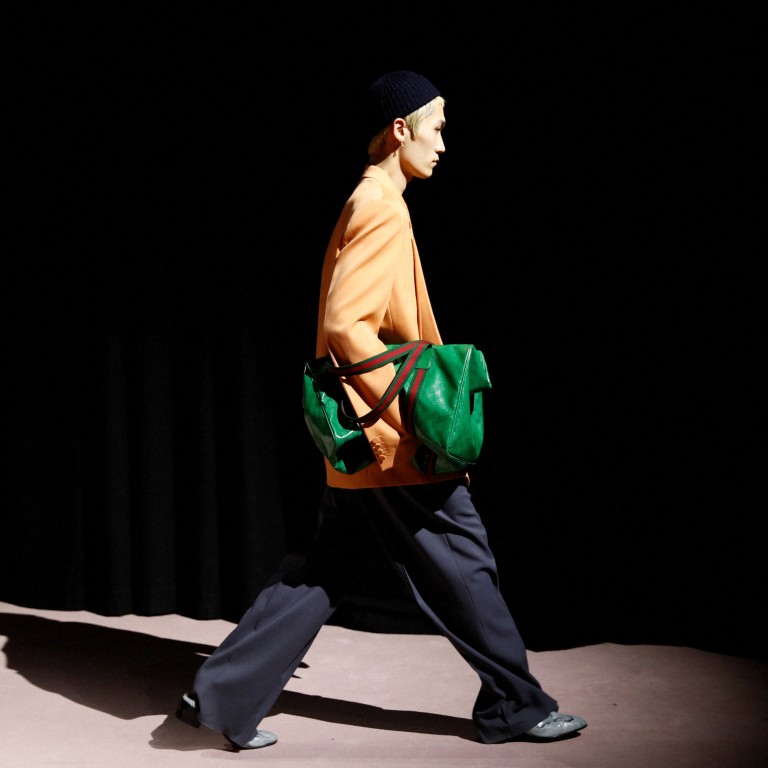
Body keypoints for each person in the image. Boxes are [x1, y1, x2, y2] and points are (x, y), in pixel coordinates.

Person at [176, 70, 587, 750]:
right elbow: (345, 324)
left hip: (368, 442)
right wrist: (396, 417)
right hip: (394, 441)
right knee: (466, 561)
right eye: (438, 127)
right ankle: (515, 706)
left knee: (322, 571)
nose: (444, 143)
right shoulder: (381, 205)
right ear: (401, 129)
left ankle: (219, 690)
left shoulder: (372, 198)